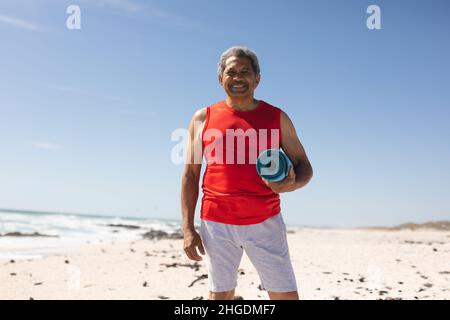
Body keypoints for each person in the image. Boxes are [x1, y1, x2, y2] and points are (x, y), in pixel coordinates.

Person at [181, 46, 313, 300]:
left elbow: (304, 165)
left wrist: (291, 184)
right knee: (220, 296)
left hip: (265, 221)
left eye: (245, 72)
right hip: (216, 222)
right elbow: (190, 175)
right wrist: (188, 229)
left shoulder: (277, 117)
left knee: (286, 296)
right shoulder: (202, 118)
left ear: (257, 78)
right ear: (221, 79)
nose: (238, 77)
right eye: (231, 72)